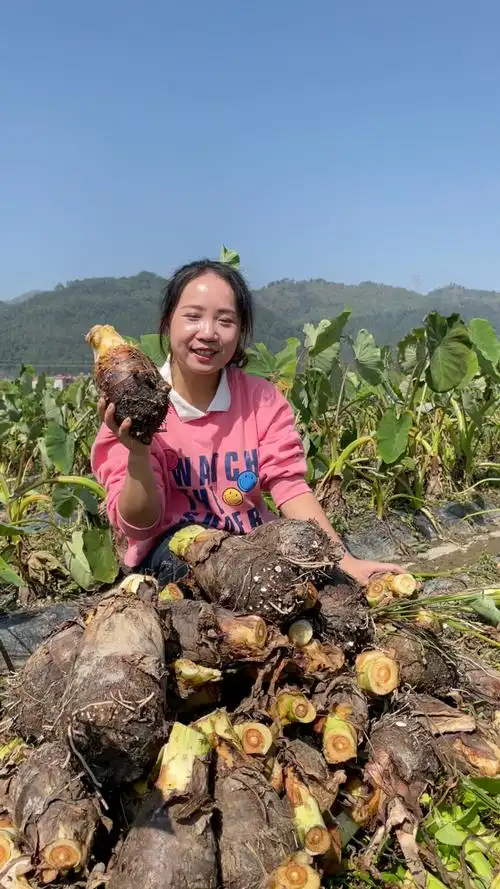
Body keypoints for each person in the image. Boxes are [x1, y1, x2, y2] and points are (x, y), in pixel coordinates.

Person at [91, 259, 404, 588]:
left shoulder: (261, 400)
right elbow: (140, 525)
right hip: (173, 558)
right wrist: (138, 454)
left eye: (224, 321)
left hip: (252, 549)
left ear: (240, 332)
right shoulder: (133, 408)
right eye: (193, 316)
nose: (209, 333)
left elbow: (289, 487)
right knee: (201, 572)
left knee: (309, 564)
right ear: (168, 322)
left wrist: (345, 561)